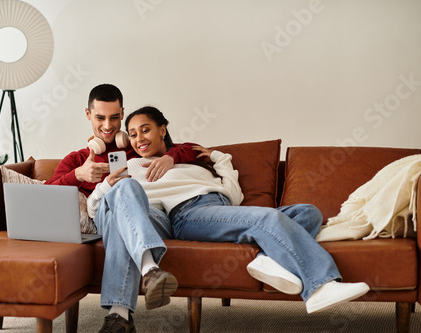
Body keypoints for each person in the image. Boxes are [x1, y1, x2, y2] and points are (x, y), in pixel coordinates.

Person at [88, 105, 370, 318]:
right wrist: (105, 187)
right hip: (187, 215)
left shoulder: (195, 160)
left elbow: (233, 196)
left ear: (162, 129)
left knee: (309, 212)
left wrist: (216, 157)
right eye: (133, 134)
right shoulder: (132, 168)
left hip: (218, 208)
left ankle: (264, 261)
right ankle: (320, 286)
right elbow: (113, 206)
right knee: (268, 217)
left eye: (146, 129)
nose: (139, 139)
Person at [46, 84, 200, 333]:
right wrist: (78, 175)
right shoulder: (77, 160)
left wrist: (171, 156)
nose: (108, 126)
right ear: (88, 115)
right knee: (120, 195)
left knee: (126, 189)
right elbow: (46, 192)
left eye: (115, 117)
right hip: (103, 219)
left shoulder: (137, 145)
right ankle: (150, 269)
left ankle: (119, 319)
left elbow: (190, 149)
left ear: (122, 114)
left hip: (147, 216)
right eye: (100, 118)